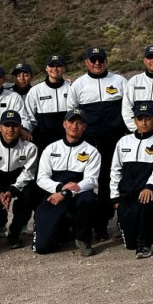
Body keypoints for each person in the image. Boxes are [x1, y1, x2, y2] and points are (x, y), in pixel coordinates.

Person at [68, 46, 127, 241]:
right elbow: (72, 113)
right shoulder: (78, 85)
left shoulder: (119, 81)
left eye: (100, 59)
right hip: (90, 141)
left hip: (116, 138)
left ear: (106, 61)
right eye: (93, 60)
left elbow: (128, 107)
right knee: (93, 181)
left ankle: (115, 222)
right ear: (86, 62)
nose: (97, 63)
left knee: (114, 180)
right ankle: (94, 225)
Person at [32, 109, 101, 256]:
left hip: (78, 195)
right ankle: (62, 231)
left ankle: (83, 238)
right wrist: (60, 188)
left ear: (85, 127)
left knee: (88, 199)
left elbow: (91, 180)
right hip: (55, 195)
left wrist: (67, 192)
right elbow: (41, 178)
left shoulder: (92, 151)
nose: (74, 126)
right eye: (71, 122)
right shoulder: (51, 149)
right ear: (64, 124)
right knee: (42, 248)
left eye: (79, 123)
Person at [110, 102, 153, 259]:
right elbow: (115, 170)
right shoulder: (123, 142)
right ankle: (145, 231)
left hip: (147, 192)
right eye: (140, 119)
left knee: (146, 204)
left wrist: (150, 186)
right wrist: (115, 196)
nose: (144, 122)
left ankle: (145, 243)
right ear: (135, 121)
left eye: (148, 119)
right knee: (129, 243)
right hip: (126, 193)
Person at [0, 109, 39, 248]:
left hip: (18, 180)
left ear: (20, 127)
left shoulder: (30, 147)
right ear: (0, 127)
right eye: (6, 125)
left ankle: (15, 234)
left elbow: (28, 173)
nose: (10, 129)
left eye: (15, 125)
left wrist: (12, 191)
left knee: (30, 193)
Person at [26, 53, 72, 150]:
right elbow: (29, 117)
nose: (55, 69)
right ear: (46, 68)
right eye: (51, 66)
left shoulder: (72, 88)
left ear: (64, 68)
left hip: (68, 139)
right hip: (43, 141)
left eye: (58, 66)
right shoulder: (36, 90)